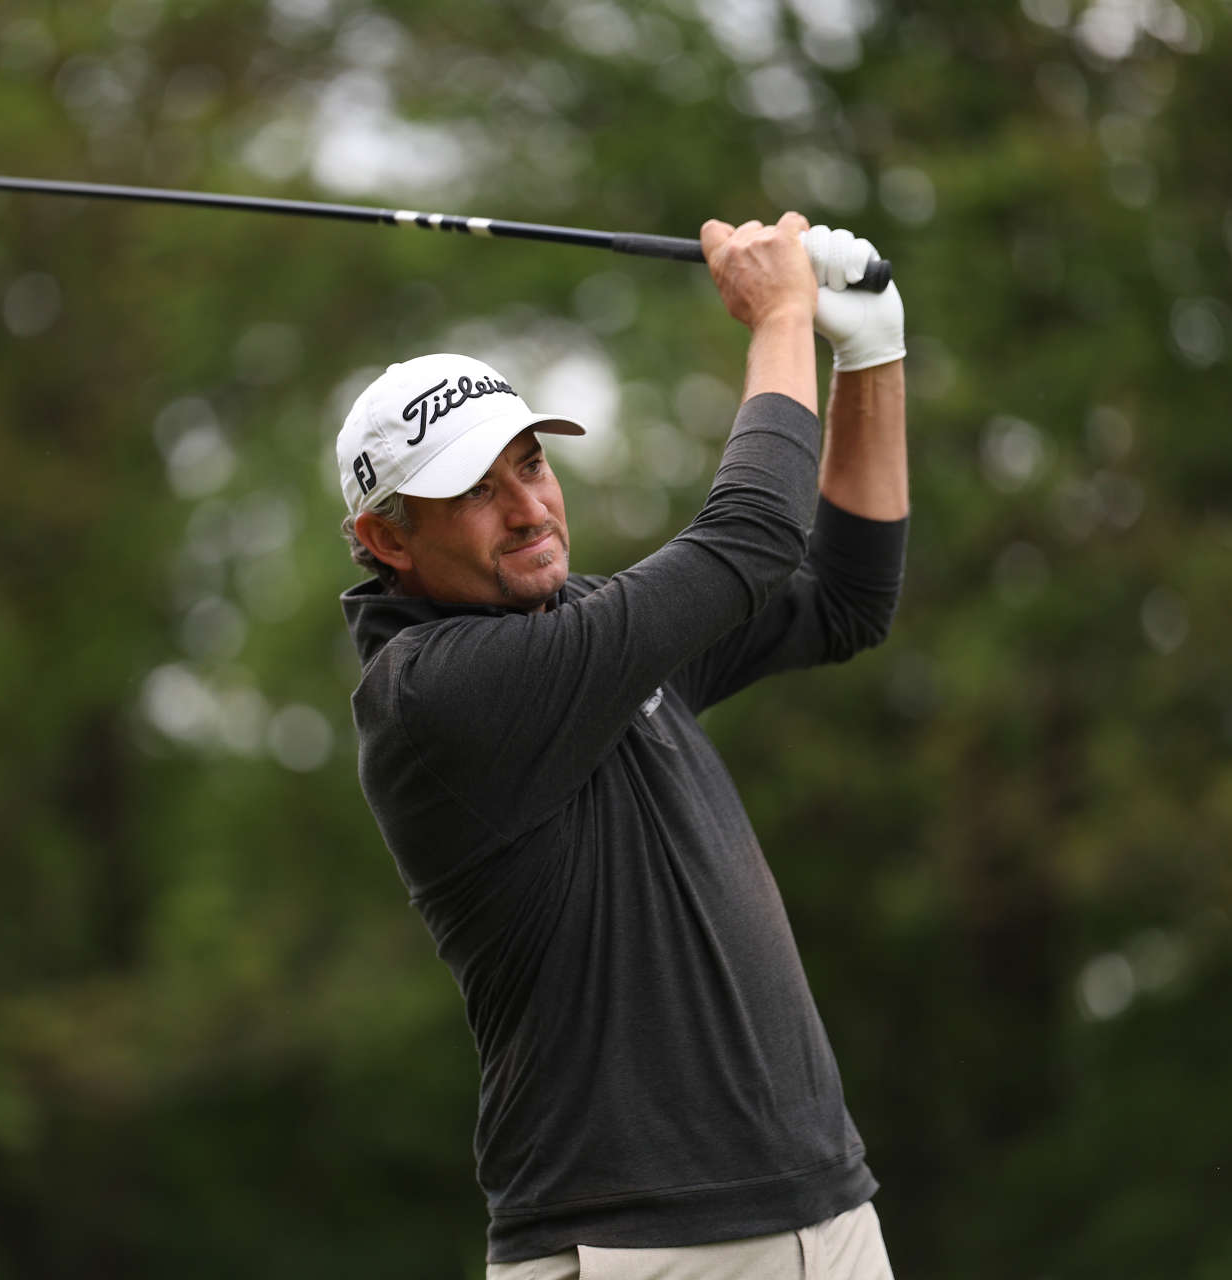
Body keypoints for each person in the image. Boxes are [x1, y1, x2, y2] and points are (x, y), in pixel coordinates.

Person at [335, 211, 909, 1279]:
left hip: (825, 1212)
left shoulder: (584, 630)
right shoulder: (438, 696)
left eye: (530, 464)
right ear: (387, 539)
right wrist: (783, 316)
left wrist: (869, 351)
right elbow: (749, 538)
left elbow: (843, 599)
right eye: (472, 490)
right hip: (636, 1247)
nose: (527, 508)